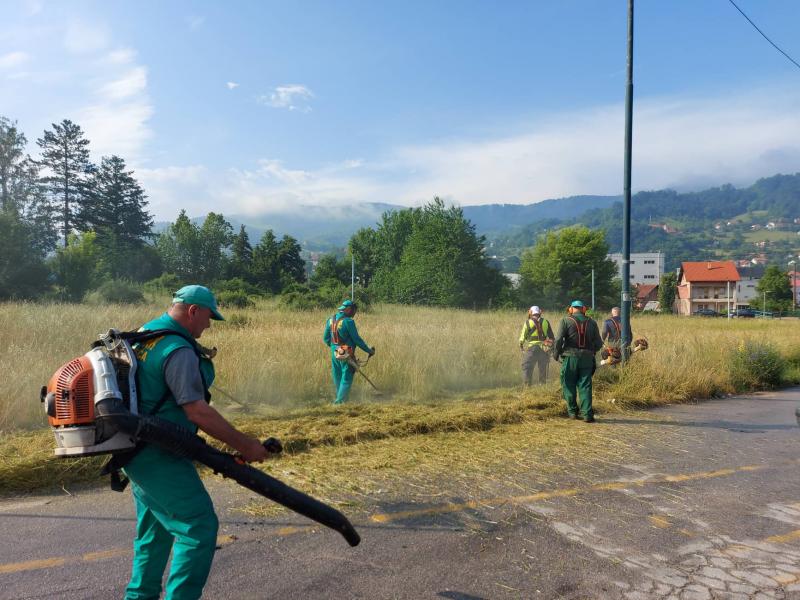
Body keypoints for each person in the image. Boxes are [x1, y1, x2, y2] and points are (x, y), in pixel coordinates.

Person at [123, 285, 268, 600]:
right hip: (159, 455)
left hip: (133, 451)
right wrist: (247, 446)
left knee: (154, 534)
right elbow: (198, 411)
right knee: (198, 526)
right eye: (208, 316)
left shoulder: (146, 334)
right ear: (192, 311)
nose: (209, 324)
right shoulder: (177, 350)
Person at [552, 299, 604, 422]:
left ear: (571, 309)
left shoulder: (565, 321)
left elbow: (559, 339)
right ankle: (587, 415)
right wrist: (592, 351)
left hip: (570, 358)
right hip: (587, 359)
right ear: (584, 309)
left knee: (568, 384)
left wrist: (556, 354)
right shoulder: (592, 322)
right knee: (585, 386)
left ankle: (572, 412)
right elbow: (599, 343)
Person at [323, 299, 374, 404]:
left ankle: (341, 398)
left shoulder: (330, 319)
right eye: (354, 311)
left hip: (334, 351)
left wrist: (335, 348)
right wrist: (369, 351)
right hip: (345, 351)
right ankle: (339, 403)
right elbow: (357, 340)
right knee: (347, 377)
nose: (354, 313)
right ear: (349, 309)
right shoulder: (348, 321)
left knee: (337, 376)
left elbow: (326, 338)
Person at [519, 305, 554, 386]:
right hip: (544, 349)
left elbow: (522, 337)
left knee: (527, 366)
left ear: (531, 312)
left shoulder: (527, 322)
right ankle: (542, 386)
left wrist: (521, 346)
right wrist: (550, 348)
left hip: (532, 348)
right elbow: (552, 337)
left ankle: (527, 386)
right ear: (540, 312)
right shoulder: (546, 322)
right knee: (542, 368)